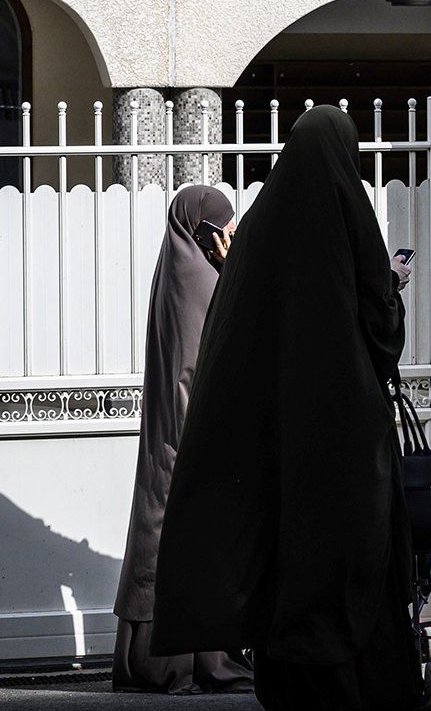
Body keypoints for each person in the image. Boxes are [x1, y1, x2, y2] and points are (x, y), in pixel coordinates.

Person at [152, 107, 427, 711]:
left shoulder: (257, 230)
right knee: (352, 566)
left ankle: (291, 688)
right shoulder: (348, 221)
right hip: (345, 441)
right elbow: (381, 333)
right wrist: (390, 286)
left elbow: (233, 336)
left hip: (276, 439)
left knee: (288, 563)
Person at [113, 185, 253, 694]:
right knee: (186, 542)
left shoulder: (176, 269)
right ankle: (183, 664)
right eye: (226, 230)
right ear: (203, 230)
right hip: (189, 438)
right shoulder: (200, 279)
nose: (231, 238)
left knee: (159, 539)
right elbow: (192, 374)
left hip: (170, 437)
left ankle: (147, 661)